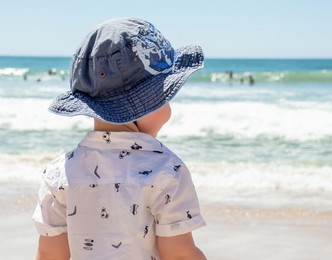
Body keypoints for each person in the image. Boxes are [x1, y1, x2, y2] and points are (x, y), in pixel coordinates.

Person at [32, 18, 207, 260]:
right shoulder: (167, 171)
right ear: (147, 104)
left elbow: (49, 255)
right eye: (166, 97)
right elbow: (179, 255)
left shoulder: (58, 173)